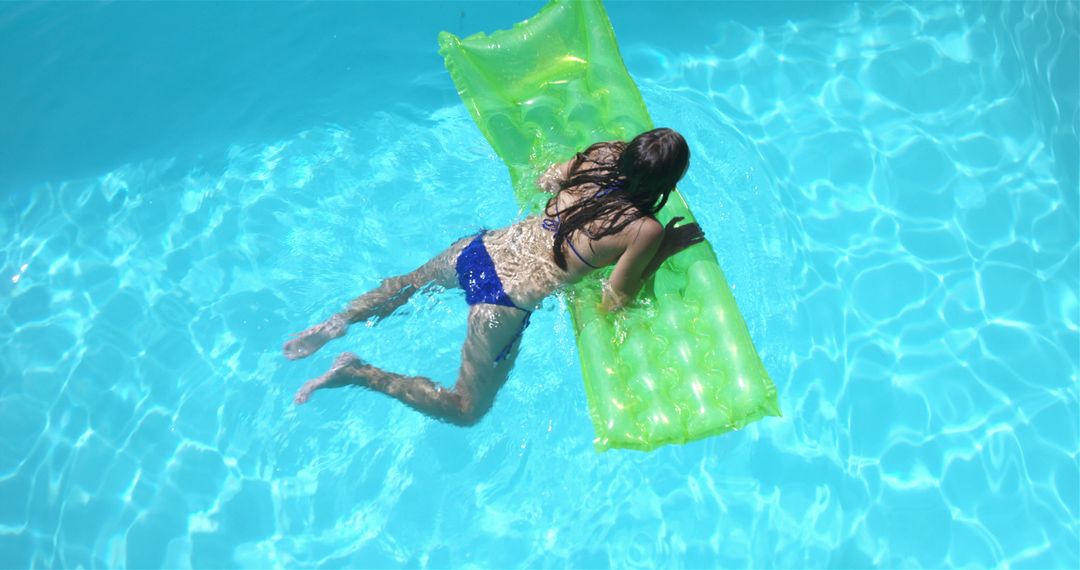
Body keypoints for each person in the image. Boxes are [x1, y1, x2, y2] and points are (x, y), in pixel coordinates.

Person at [283, 127, 703, 426]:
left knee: (407, 286)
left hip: (482, 249)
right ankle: (358, 372)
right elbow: (614, 301)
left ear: (628, 153)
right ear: (668, 183)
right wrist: (661, 250)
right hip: (501, 303)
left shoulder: (602, 155)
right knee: (466, 410)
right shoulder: (643, 230)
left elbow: (545, 179)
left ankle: (336, 323)